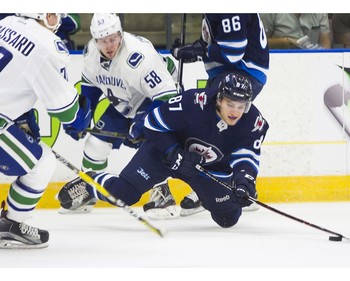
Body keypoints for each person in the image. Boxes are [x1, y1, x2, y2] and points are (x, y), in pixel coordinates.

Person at [57, 72, 269, 229]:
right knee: (124, 194)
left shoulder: (254, 122)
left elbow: (247, 154)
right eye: (231, 104)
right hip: (163, 155)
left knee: (228, 218)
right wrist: (172, 151)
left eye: (242, 106)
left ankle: (204, 196)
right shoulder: (193, 103)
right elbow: (152, 122)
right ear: (220, 99)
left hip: (205, 168)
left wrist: (244, 181)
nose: (236, 112)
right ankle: (90, 183)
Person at [58, 13, 179, 218]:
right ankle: (90, 190)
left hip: (151, 100)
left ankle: (162, 193)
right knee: (95, 144)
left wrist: (143, 123)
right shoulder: (90, 53)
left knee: (150, 146)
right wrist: (80, 117)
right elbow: (90, 88)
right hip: (123, 102)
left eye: (113, 39)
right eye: (103, 41)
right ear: (95, 40)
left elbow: (167, 96)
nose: (109, 45)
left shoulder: (138, 57)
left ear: (120, 34)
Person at [148, 13, 269, 217]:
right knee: (211, 128)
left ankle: (230, 187)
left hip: (242, 72)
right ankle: (222, 187)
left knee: (217, 132)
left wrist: (199, 51)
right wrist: (196, 48)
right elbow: (218, 42)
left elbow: (232, 52)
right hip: (226, 73)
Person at [0, 13, 92, 248]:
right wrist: (79, 118)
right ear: (45, 15)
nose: (57, 21)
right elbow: (67, 111)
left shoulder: (5, 22)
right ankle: (11, 225)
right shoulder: (47, 45)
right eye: (54, 15)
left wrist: (17, 115)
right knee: (42, 163)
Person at [260, 13, 331, 49]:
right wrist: (284, 42)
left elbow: (326, 48)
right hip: (277, 61)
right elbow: (258, 44)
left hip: (313, 61)